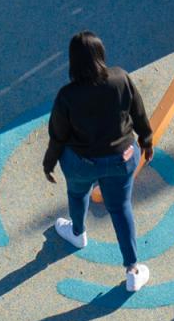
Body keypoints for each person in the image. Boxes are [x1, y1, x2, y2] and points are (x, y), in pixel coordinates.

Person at [44, 30, 153, 293]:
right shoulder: (120, 78)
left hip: (82, 162)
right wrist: (146, 140)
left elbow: (58, 134)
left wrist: (49, 162)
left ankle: (78, 232)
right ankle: (133, 271)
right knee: (120, 208)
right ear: (100, 54)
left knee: (77, 194)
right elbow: (138, 112)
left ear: (73, 62)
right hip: (122, 158)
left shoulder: (67, 95)